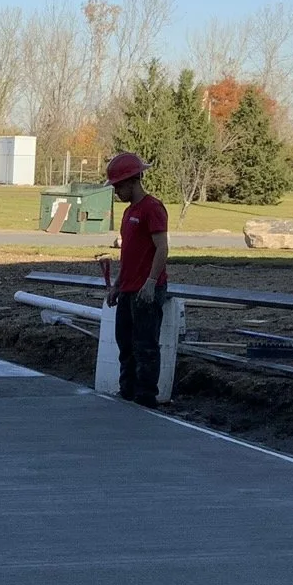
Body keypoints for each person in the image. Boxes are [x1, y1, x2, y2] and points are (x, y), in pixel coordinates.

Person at [104, 151, 169, 406]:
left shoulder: (152, 208)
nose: (117, 192)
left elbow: (162, 248)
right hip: (129, 289)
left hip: (146, 290)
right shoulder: (128, 213)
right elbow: (128, 254)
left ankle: (146, 396)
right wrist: (118, 285)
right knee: (126, 344)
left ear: (133, 181)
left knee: (145, 345)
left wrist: (151, 282)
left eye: (119, 186)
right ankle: (127, 391)